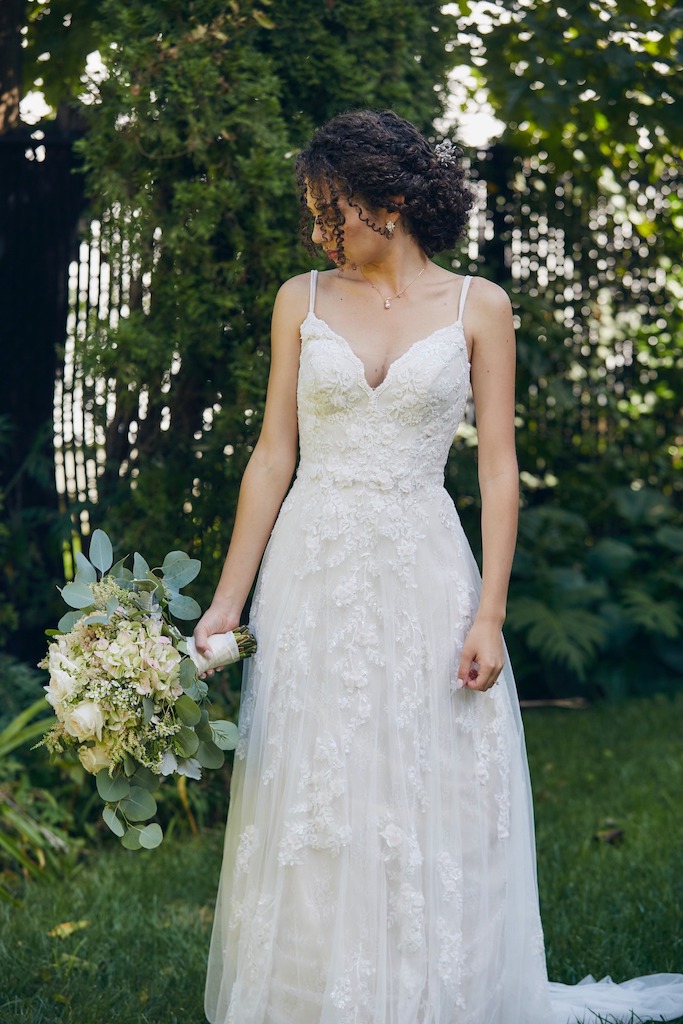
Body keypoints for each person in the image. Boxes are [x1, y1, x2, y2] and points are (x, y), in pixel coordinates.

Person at [194, 110, 683, 1024]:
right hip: (313, 564)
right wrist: (229, 602)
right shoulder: (299, 300)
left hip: (425, 564)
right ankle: (309, 992)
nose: (317, 232)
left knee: (427, 768)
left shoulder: (477, 307)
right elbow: (272, 455)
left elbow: (497, 468)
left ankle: (435, 986)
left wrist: (488, 614)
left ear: (389, 204)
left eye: (328, 212)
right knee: (318, 773)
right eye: (311, 214)